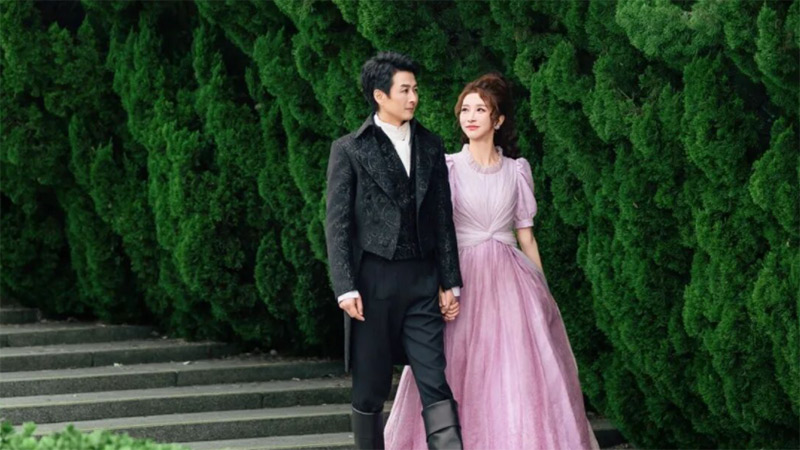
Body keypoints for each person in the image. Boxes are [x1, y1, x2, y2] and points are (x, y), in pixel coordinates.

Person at [384, 73, 600, 450]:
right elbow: (435, 236)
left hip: (511, 283)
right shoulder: (448, 168)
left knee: (516, 373)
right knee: (455, 368)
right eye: (465, 109)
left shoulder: (517, 171)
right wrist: (440, 285)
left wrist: (543, 293)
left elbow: (526, 237)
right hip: (461, 282)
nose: (470, 117)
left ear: (498, 120)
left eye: (480, 110)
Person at [325, 51, 465, 450]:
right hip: (373, 283)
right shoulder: (349, 149)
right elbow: (337, 224)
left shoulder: (431, 145)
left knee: (434, 381)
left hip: (422, 280)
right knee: (370, 388)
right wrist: (345, 287)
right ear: (379, 95)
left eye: (415, 89)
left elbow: (443, 218)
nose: (414, 97)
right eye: (405, 90)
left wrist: (449, 281)